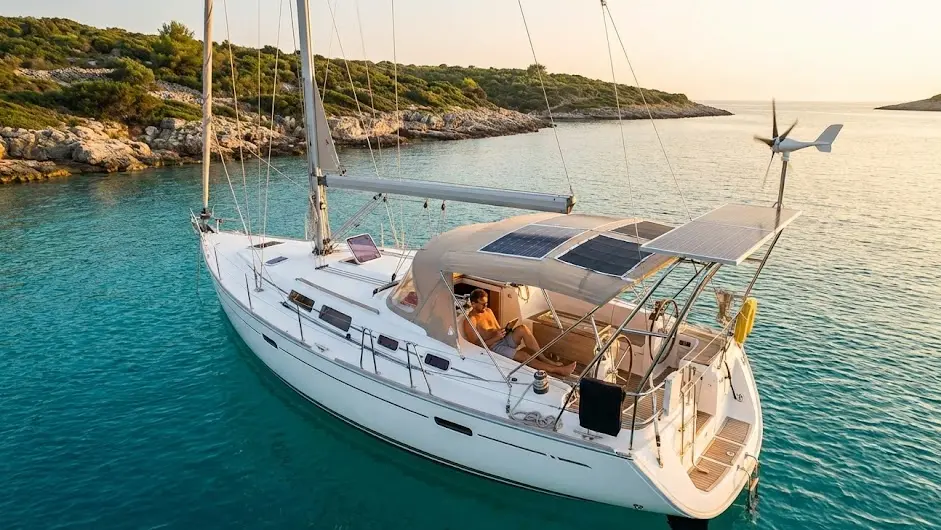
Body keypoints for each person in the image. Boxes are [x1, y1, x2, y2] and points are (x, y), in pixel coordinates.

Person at [462, 288, 576, 377]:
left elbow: (497, 328)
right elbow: (476, 347)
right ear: (473, 303)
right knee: (524, 356)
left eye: (486, 303)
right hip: (493, 347)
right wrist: (496, 338)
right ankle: (559, 370)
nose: (486, 306)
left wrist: (506, 330)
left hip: (502, 339)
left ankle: (545, 359)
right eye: (482, 304)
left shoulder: (488, 311)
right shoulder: (470, 321)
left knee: (523, 329)